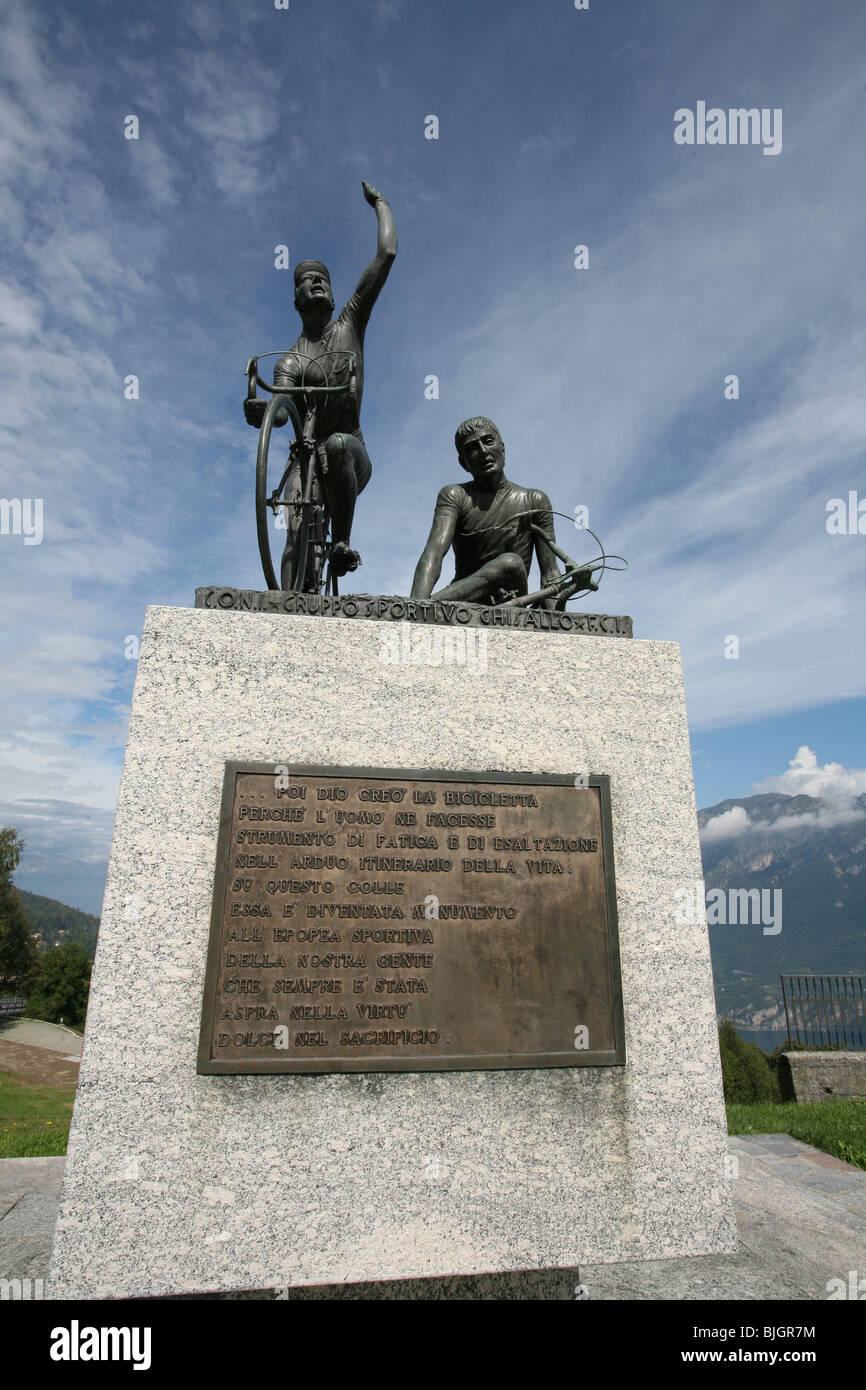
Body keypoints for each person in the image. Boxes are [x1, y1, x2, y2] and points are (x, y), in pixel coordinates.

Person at [249, 181, 396, 581]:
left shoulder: (350, 324)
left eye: (323, 279)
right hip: (305, 455)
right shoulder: (292, 360)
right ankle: (288, 600)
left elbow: (386, 255)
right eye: (306, 280)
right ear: (296, 300)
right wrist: (260, 410)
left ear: (332, 297)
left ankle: (343, 545)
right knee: (296, 534)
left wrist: (380, 203)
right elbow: (280, 413)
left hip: (349, 454)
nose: (316, 282)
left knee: (338, 444)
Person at [410, 417, 562, 607]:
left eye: (488, 441)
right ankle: (425, 605)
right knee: (509, 562)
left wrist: (556, 623)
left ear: (503, 449)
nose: (483, 451)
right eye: (472, 448)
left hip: (511, 600)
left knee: (511, 564)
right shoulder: (455, 495)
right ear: (463, 463)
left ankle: (432, 604)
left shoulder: (534, 501)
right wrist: (414, 608)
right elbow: (434, 552)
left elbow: (550, 573)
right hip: (464, 600)